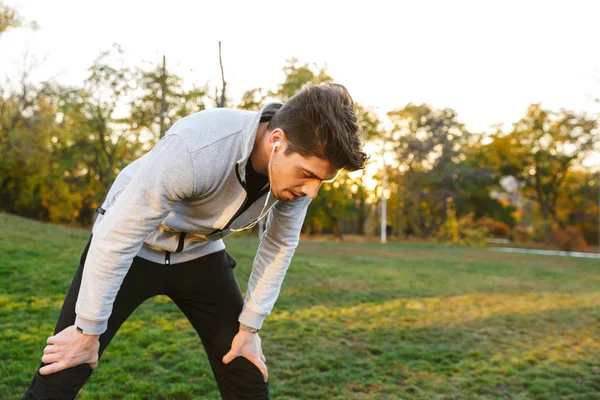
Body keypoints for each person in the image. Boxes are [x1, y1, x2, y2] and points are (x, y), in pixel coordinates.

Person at [21, 82, 367, 399]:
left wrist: (250, 327)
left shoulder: (299, 177)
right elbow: (119, 234)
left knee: (245, 366)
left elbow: (278, 245)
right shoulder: (198, 145)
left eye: (321, 180)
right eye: (308, 175)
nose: (311, 191)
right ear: (277, 141)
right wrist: (87, 331)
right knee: (66, 365)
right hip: (133, 245)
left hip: (200, 254)